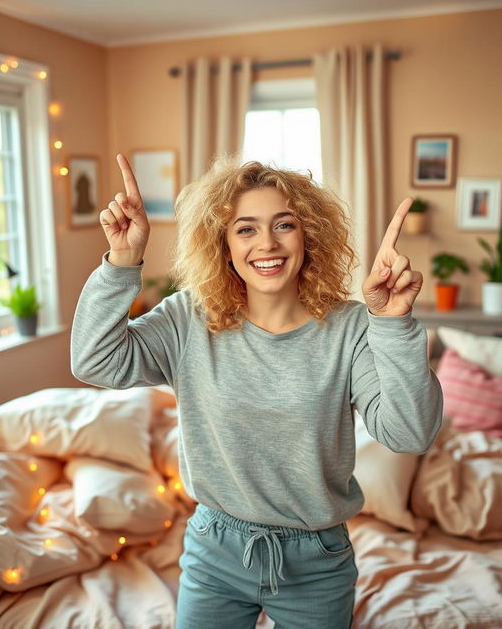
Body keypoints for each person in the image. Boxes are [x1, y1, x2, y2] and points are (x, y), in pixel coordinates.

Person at [71, 153, 443, 629]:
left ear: (309, 234)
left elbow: (410, 433)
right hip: (214, 549)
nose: (267, 243)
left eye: (284, 224)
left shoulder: (351, 328)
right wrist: (123, 263)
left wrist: (392, 324)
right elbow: (94, 361)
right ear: (224, 244)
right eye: (245, 228)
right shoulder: (189, 317)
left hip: (317, 560)